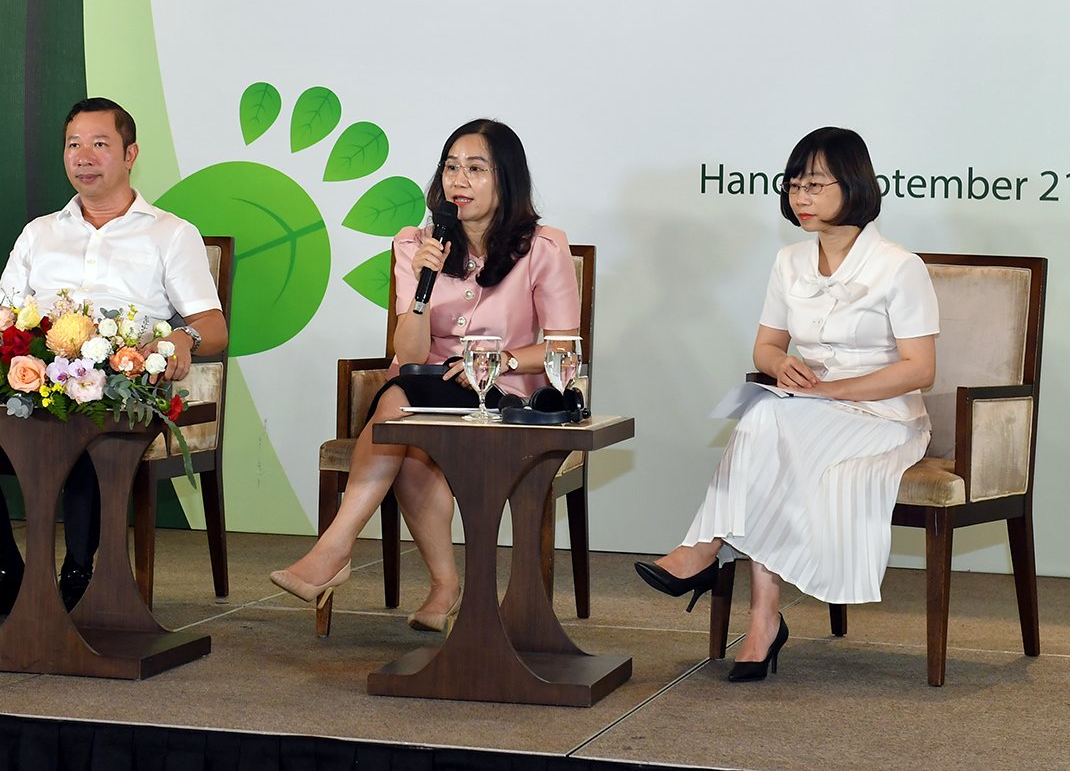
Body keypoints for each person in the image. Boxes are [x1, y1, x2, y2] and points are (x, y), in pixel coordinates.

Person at [635, 126, 939, 681]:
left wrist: (832, 391)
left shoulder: (899, 266)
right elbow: (766, 347)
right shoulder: (790, 261)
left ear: (853, 185)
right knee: (769, 417)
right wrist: (781, 367)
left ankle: (704, 550)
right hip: (807, 410)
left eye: (815, 184)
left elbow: (920, 369)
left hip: (885, 418)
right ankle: (761, 618)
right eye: (795, 184)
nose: (802, 196)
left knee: (768, 419)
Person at [270, 119, 579, 631]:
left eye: (476, 169)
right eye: (451, 167)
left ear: (506, 179)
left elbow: (563, 348)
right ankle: (440, 583)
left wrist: (500, 361)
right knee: (408, 431)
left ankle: (336, 550)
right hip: (422, 384)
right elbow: (409, 350)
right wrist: (423, 284)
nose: (459, 180)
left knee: (401, 413)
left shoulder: (542, 247)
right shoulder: (416, 244)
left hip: (501, 392)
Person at [0, 97, 229, 624]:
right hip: (36, 384)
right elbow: (0, 314)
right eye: (73, 145)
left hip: (119, 389)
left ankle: (79, 576)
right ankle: (5, 570)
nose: (83, 157)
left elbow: (214, 328)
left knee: (92, 422)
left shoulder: (169, 233)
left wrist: (182, 339)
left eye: (99, 144)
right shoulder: (40, 232)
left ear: (130, 154)